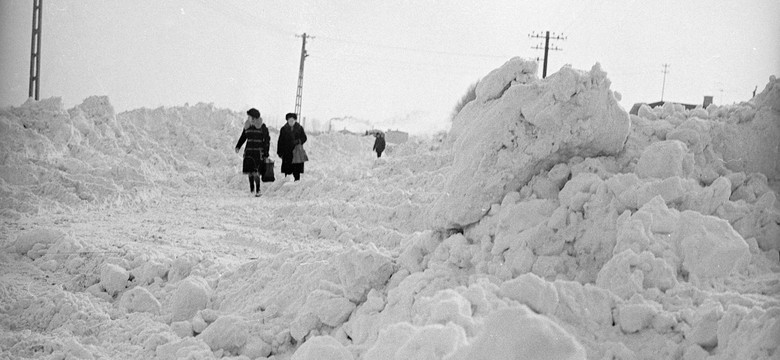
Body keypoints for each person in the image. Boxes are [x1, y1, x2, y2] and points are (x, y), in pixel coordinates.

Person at [235, 108, 270, 196]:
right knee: (249, 172)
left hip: (258, 153)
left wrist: (266, 152)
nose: (248, 118)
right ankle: (252, 190)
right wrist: (238, 146)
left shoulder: (262, 127)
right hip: (249, 151)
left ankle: (258, 189)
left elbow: (267, 140)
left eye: (249, 116)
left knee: (256, 172)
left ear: (254, 118)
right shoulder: (247, 126)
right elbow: (243, 137)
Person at [277, 112, 307, 181]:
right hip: (287, 152)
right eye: (289, 121)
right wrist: (280, 152)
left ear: (295, 120)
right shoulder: (284, 129)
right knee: (287, 170)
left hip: (297, 152)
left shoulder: (299, 128)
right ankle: (287, 184)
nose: (291, 122)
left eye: (292, 120)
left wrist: (298, 141)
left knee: (296, 170)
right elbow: (280, 141)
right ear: (287, 121)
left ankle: (296, 183)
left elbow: (304, 138)